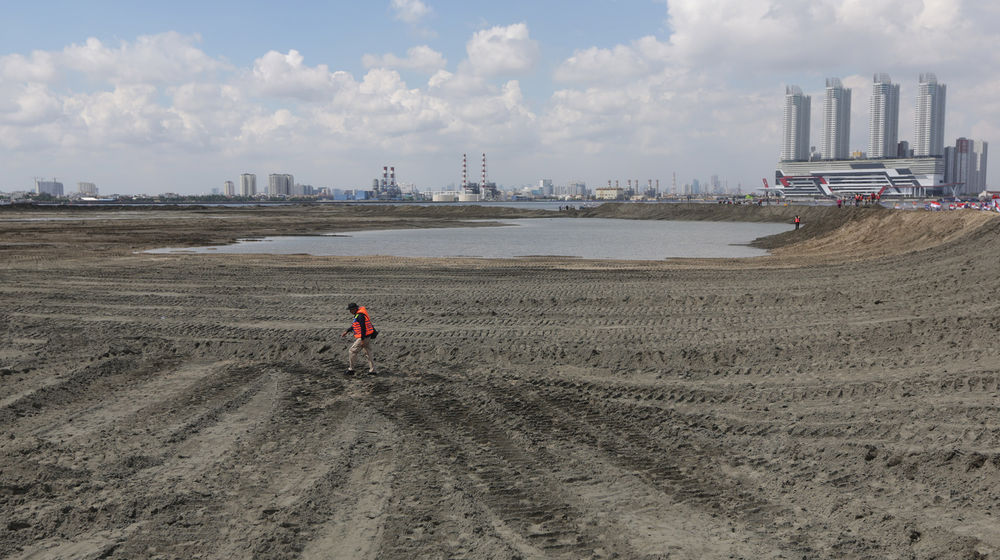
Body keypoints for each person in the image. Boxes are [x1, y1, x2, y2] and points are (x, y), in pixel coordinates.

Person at [341, 302, 376, 375]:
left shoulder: (360, 316)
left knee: (352, 351)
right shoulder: (359, 315)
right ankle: (372, 370)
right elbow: (354, 326)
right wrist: (347, 331)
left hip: (364, 337)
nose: (350, 312)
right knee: (368, 353)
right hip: (368, 336)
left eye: (350, 310)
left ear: (354, 309)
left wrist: (362, 340)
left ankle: (351, 369)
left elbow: (363, 329)